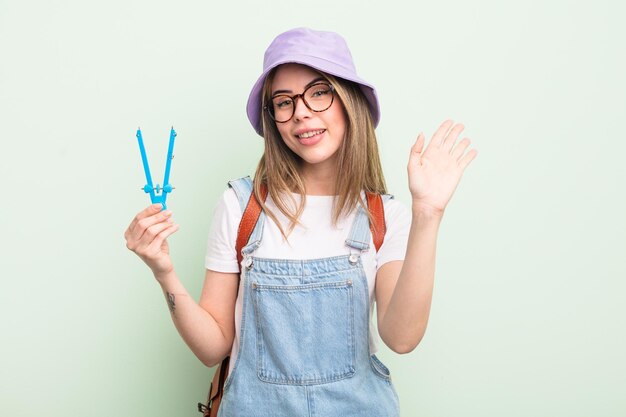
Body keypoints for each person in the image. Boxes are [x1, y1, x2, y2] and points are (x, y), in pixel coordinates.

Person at [124, 27, 477, 417]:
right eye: (283, 101)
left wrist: (428, 214)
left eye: (319, 92)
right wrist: (164, 272)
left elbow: (402, 337)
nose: (302, 112)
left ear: (348, 101)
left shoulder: (383, 216)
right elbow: (212, 348)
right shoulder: (242, 207)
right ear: (273, 118)